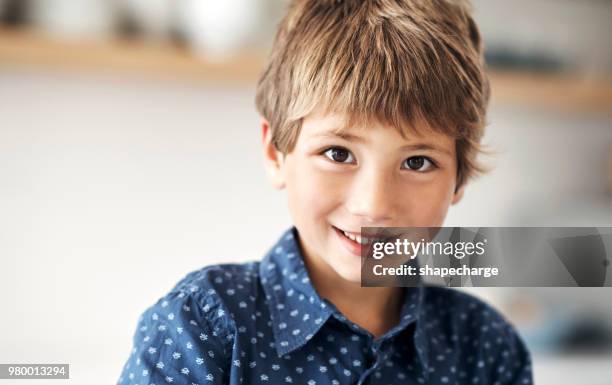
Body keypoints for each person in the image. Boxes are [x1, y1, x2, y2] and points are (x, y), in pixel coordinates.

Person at [117, 1, 533, 384]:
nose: (373, 205)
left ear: (458, 177)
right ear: (275, 152)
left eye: (417, 162)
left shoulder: (487, 350)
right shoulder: (199, 328)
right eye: (338, 153)